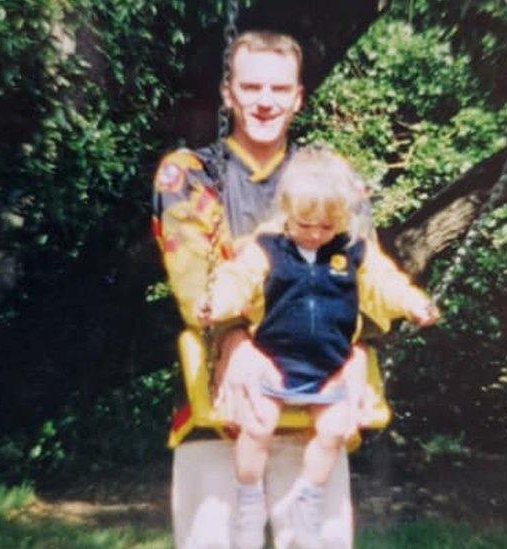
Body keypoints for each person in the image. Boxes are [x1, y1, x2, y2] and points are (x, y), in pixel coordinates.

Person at [152, 31, 366, 548]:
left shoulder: (331, 180)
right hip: (219, 405)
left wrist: (360, 350)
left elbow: (360, 277)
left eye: (279, 88)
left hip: (315, 407)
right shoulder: (189, 174)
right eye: (250, 87)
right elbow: (194, 283)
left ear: (298, 97)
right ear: (228, 92)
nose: (265, 101)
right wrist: (233, 339)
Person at [196, 148, 439, 549]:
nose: (313, 234)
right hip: (273, 363)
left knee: (335, 429)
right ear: (286, 210)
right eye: (305, 224)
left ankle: (306, 499)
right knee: (257, 426)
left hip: (329, 366)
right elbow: (235, 280)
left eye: (326, 227)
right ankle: (249, 498)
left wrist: (414, 303)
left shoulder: (354, 253)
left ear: (341, 219)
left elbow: (386, 284)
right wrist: (216, 305)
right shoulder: (268, 249)